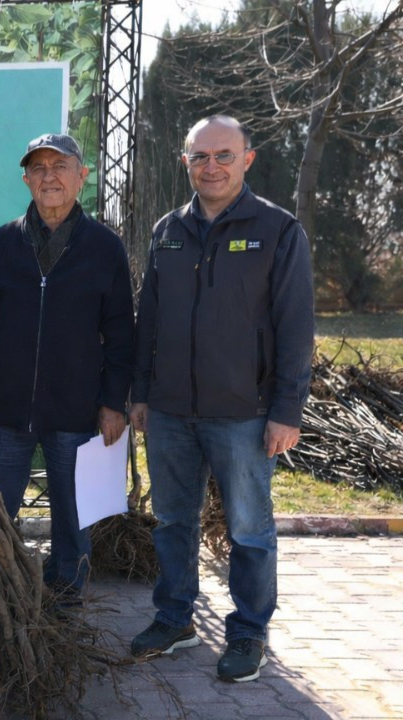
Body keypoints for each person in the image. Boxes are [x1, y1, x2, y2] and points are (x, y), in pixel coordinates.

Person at [128, 115, 313, 683]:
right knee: (172, 520)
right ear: (185, 161)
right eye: (199, 156)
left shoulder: (278, 230)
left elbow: (295, 327)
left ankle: (249, 632)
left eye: (223, 155)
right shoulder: (168, 230)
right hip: (171, 410)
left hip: (245, 413)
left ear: (247, 159)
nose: (211, 166)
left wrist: (286, 411)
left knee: (249, 530)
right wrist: (140, 393)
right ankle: (175, 618)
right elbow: (149, 320)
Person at [0, 133, 134, 598]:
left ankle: (66, 599)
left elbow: (120, 335)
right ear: (26, 179)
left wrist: (114, 403)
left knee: (73, 522)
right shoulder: (1, 244)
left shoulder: (105, 248)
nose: (49, 176)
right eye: (39, 168)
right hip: (8, 414)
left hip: (76, 413)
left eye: (60, 166)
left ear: (81, 177)